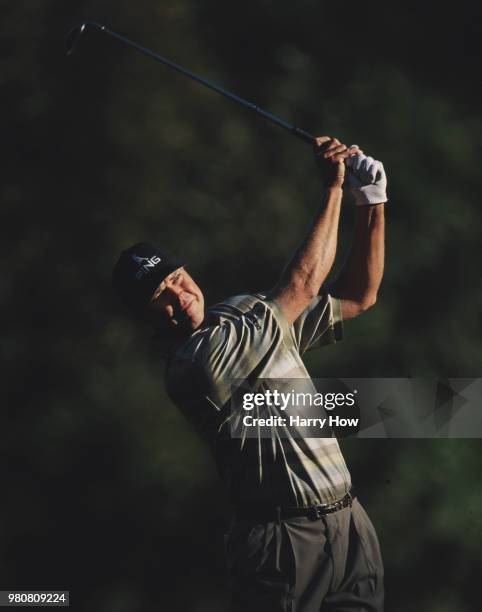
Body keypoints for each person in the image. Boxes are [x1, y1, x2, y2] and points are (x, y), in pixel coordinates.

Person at [112, 136, 387, 612]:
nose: (179, 295)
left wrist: (372, 202)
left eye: (176, 278)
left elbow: (360, 294)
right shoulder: (194, 367)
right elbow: (303, 284)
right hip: (283, 544)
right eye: (161, 295)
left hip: (349, 522)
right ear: (146, 315)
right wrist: (334, 188)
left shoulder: (243, 313)